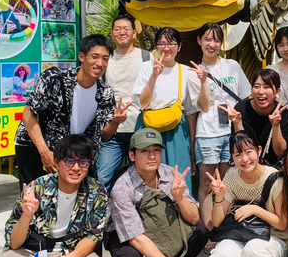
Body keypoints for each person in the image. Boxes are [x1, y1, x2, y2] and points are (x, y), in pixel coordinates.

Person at [0, 135, 108, 257]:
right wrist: (27, 215)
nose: (76, 168)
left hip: (69, 251)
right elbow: (14, 243)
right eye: (69, 161)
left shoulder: (96, 191)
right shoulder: (36, 188)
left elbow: (93, 235)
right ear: (56, 162)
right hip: (32, 251)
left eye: (82, 161)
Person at [106, 128, 207, 257]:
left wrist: (179, 198)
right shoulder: (122, 186)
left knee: (200, 232)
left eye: (156, 150)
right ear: (132, 155)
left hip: (159, 227)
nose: (152, 156)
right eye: (144, 151)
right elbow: (134, 237)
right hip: (128, 236)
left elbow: (194, 218)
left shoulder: (170, 174)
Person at [14, 34, 122, 184]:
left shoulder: (105, 92)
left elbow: (104, 135)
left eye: (105, 58)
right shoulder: (54, 79)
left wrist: (116, 122)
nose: (100, 63)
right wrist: (44, 151)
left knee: (75, 201)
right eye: (95, 57)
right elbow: (28, 113)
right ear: (82, 57)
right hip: (34, 146)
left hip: (72, 154)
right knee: (35, 200)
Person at [206, 131, 288, 257]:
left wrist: (254, 209)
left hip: (273, 236)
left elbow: (282, 224)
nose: (244, 159)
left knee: (255, 249)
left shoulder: (274, 178)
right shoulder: (231, 177)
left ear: (259, 151)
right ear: (232, 157)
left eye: (248, 152)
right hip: (239, 234)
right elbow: (216, 222)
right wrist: (220, 196)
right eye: (238, 154)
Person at [189, 23, 251, 228]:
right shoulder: (194, 72)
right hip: (208, 133)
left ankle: (223, 227)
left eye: (216, 40)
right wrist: (204, 81)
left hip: (232, 132)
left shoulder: (232, 65)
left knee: (226, 183)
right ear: (199, 41)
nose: (212, 44)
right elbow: (205, 106)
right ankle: (208, 230)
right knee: (207, 184)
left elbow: (245, 97)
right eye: (207, 39)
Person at [132, 27, 207, 192]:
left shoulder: (186, 71)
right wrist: (154, 76)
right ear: (156, 46)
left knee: (178, 173)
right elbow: (142, 103)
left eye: (171, 43)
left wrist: (192, 142)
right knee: (148, 174)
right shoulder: (146, 67)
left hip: (177, 130)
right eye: (161, 43)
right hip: (148, 127)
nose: (166, 48)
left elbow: (189, 111)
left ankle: (182, 214)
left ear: (179, 47)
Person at [98, 14, 150, 190]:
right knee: (103, 177)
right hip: (112, 130)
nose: (122, 32)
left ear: (134, 33)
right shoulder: (105, 59)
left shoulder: (146, 57)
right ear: (112, 34)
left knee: (144, 178)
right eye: (117, 29)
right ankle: (101, 216)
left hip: (140, 126)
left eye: (126, 29)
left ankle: (140, 216)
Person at [219, 69, 288, 167]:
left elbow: (280, 152)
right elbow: (242, 148)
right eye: (256, 86)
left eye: (267, 87)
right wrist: (238, 123)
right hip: (247, 165)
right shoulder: (241, 110)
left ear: (277, 91)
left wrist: (276, 125)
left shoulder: (284, 115)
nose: (260, 92)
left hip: (273, 168)